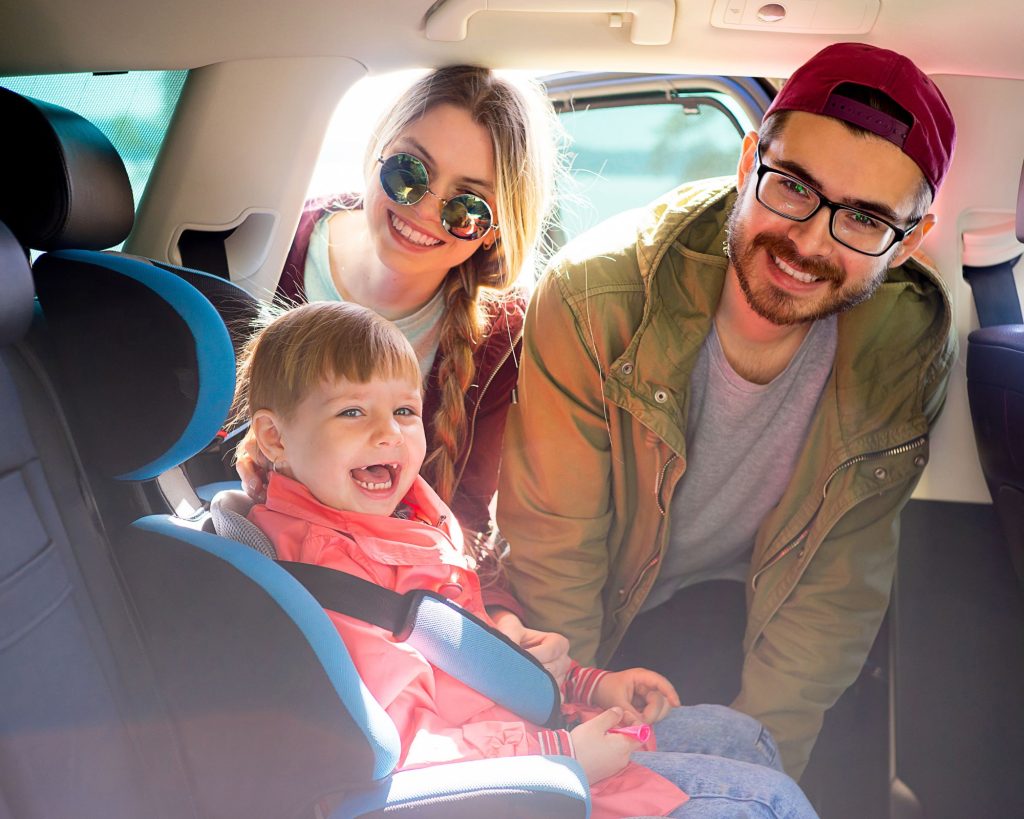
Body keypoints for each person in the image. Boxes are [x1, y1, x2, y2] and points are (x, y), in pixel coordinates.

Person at [495, 41, 958, 780]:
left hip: (742, 607)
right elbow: (557, 552)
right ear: (748, 164)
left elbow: (834, 591)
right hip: (602, 616)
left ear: (907, 245)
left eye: (866, 220)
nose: (808, 242)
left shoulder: (906, 343)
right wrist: (573, 751)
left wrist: (761, 771)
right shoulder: (595, 298)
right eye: (793, 187)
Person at [234, 300, 819, 818]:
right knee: (767, 802)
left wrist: (588, 684)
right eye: (352, 412)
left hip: (520, 737)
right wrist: (559, 755)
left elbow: (465, 663)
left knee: (746, 738)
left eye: (405, 412)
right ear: (276, 438)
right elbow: (405, 749)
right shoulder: (330, 574)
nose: (389, 434)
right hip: (507, 782)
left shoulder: (397, 524)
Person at [240, 64, 558, 556]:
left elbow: (466, 519)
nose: (425, 211)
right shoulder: (275, 245)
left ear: (495, 230)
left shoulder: (505, 335)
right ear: (378, 152)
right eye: (410, 173)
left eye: (467, 207)